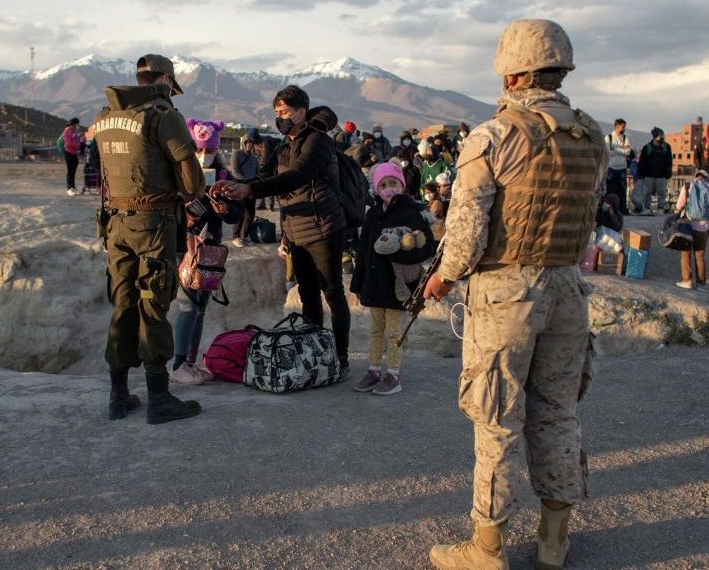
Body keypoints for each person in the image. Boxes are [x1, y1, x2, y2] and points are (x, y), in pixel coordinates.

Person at [422, 19, 607, 570]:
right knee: (556, 413)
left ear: (516, 73)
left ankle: (486, 549)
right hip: (568, 288)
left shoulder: (494, 135)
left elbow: (467, 226)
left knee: (497, 418)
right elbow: (588, 210)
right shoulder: (590, 135)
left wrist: (445, 275)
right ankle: (553, 541)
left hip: (507, 293)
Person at [92, 54, 206, 424]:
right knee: (152, 305)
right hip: (153, 225)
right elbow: (193, 184)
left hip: (115, 225)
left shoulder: (106, 118)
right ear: (165, 80)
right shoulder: (163, 116)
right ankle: (159, 399)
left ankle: (118, 396)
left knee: (122, 305)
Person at [215, 85, 352, 378]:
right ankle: (318, 353)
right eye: (276, 112)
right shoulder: (283, 145)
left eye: (285, 112)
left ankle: (341, 357)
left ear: (301, 112)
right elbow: (266, 176)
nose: (280, 117)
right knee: (307, 294)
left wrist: (250, 188)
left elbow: (296, 176)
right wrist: (231, 187)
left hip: (324, 226)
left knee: (333, 293)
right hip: (296, 229)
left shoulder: (318, 141)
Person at [350, 162, 434, 396]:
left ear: (402, 185)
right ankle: (373, 369)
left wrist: (399, 254)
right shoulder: (374, 213)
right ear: (377, 189)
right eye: (384, 185)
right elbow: (364, 249)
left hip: (398, 285)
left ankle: (393, 374)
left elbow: (428, 246)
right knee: (376, 330)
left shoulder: (411, 211)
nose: (389, 189)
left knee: (394, 332)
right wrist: (358, 282)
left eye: (393, 183)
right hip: (375, 284)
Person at [172, 122, 243, 385]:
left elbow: (238, 213)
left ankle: (189, 362)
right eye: (200, 150)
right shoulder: (181, 175)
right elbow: (180, 215)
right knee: (188, 304)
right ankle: (179, 363)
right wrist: (198, 205)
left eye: (209, 150)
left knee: (200, 307)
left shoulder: (224, 174)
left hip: (210, 251)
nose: (205, 156)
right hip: (188, 249)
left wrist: (226, 208)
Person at [675, 170, 709, 289]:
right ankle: (701, 283)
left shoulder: (687, 186)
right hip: (703, 228)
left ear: (695, 177)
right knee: (699, 256)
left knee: (685, 254)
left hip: (687, 226)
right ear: (707, 178)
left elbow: (679, 206)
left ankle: (687, 280)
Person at [230, 129, 261, 246]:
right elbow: (234, 170)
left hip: (251, 186)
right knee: (240, 212)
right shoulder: (236, 154)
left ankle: (245, 235)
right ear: (243, 143)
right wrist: (245, 180)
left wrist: (254, 182)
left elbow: (258, 172)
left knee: (250, 213)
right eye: (246, 142)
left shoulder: (254, 157)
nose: (248, 145)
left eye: (250, 143)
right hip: (239, 184)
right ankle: (236, 236)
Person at [634, 127, 672, 214]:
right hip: (649, 175)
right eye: (660, 136)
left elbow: (669, 161)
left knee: (661, 193)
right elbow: (642, 162)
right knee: (647, 193)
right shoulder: (647, 147)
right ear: (655, 136)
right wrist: (641, 174)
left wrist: (668, 174)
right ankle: (647, 208)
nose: (662, 137)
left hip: (662, 176)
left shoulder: (667, 147)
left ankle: (660, 209)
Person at [604, 118, 632, 214]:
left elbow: (628, 152)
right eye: (622, 127)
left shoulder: (625, 138)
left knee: (622, 190)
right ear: (616, 126)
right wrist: (621, 149)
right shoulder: (608, 138)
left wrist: (615, 148)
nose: (624, 129)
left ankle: (622, 209)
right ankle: (608, 208)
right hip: (611, 168)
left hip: (622, 169)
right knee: (609, 189)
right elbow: (608, 152)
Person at [62, 118, 86, 196]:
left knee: (74, 171)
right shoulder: (66, 132)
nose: (77, 126)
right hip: (69, 153)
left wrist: (82, 139)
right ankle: (69, 188)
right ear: (72, 124)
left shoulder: (75, 132)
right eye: (76, 125)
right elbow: (68, 143)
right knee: (70, 171)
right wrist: (79, 145)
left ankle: (73, 187)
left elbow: (79, 139)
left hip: (75, 153)